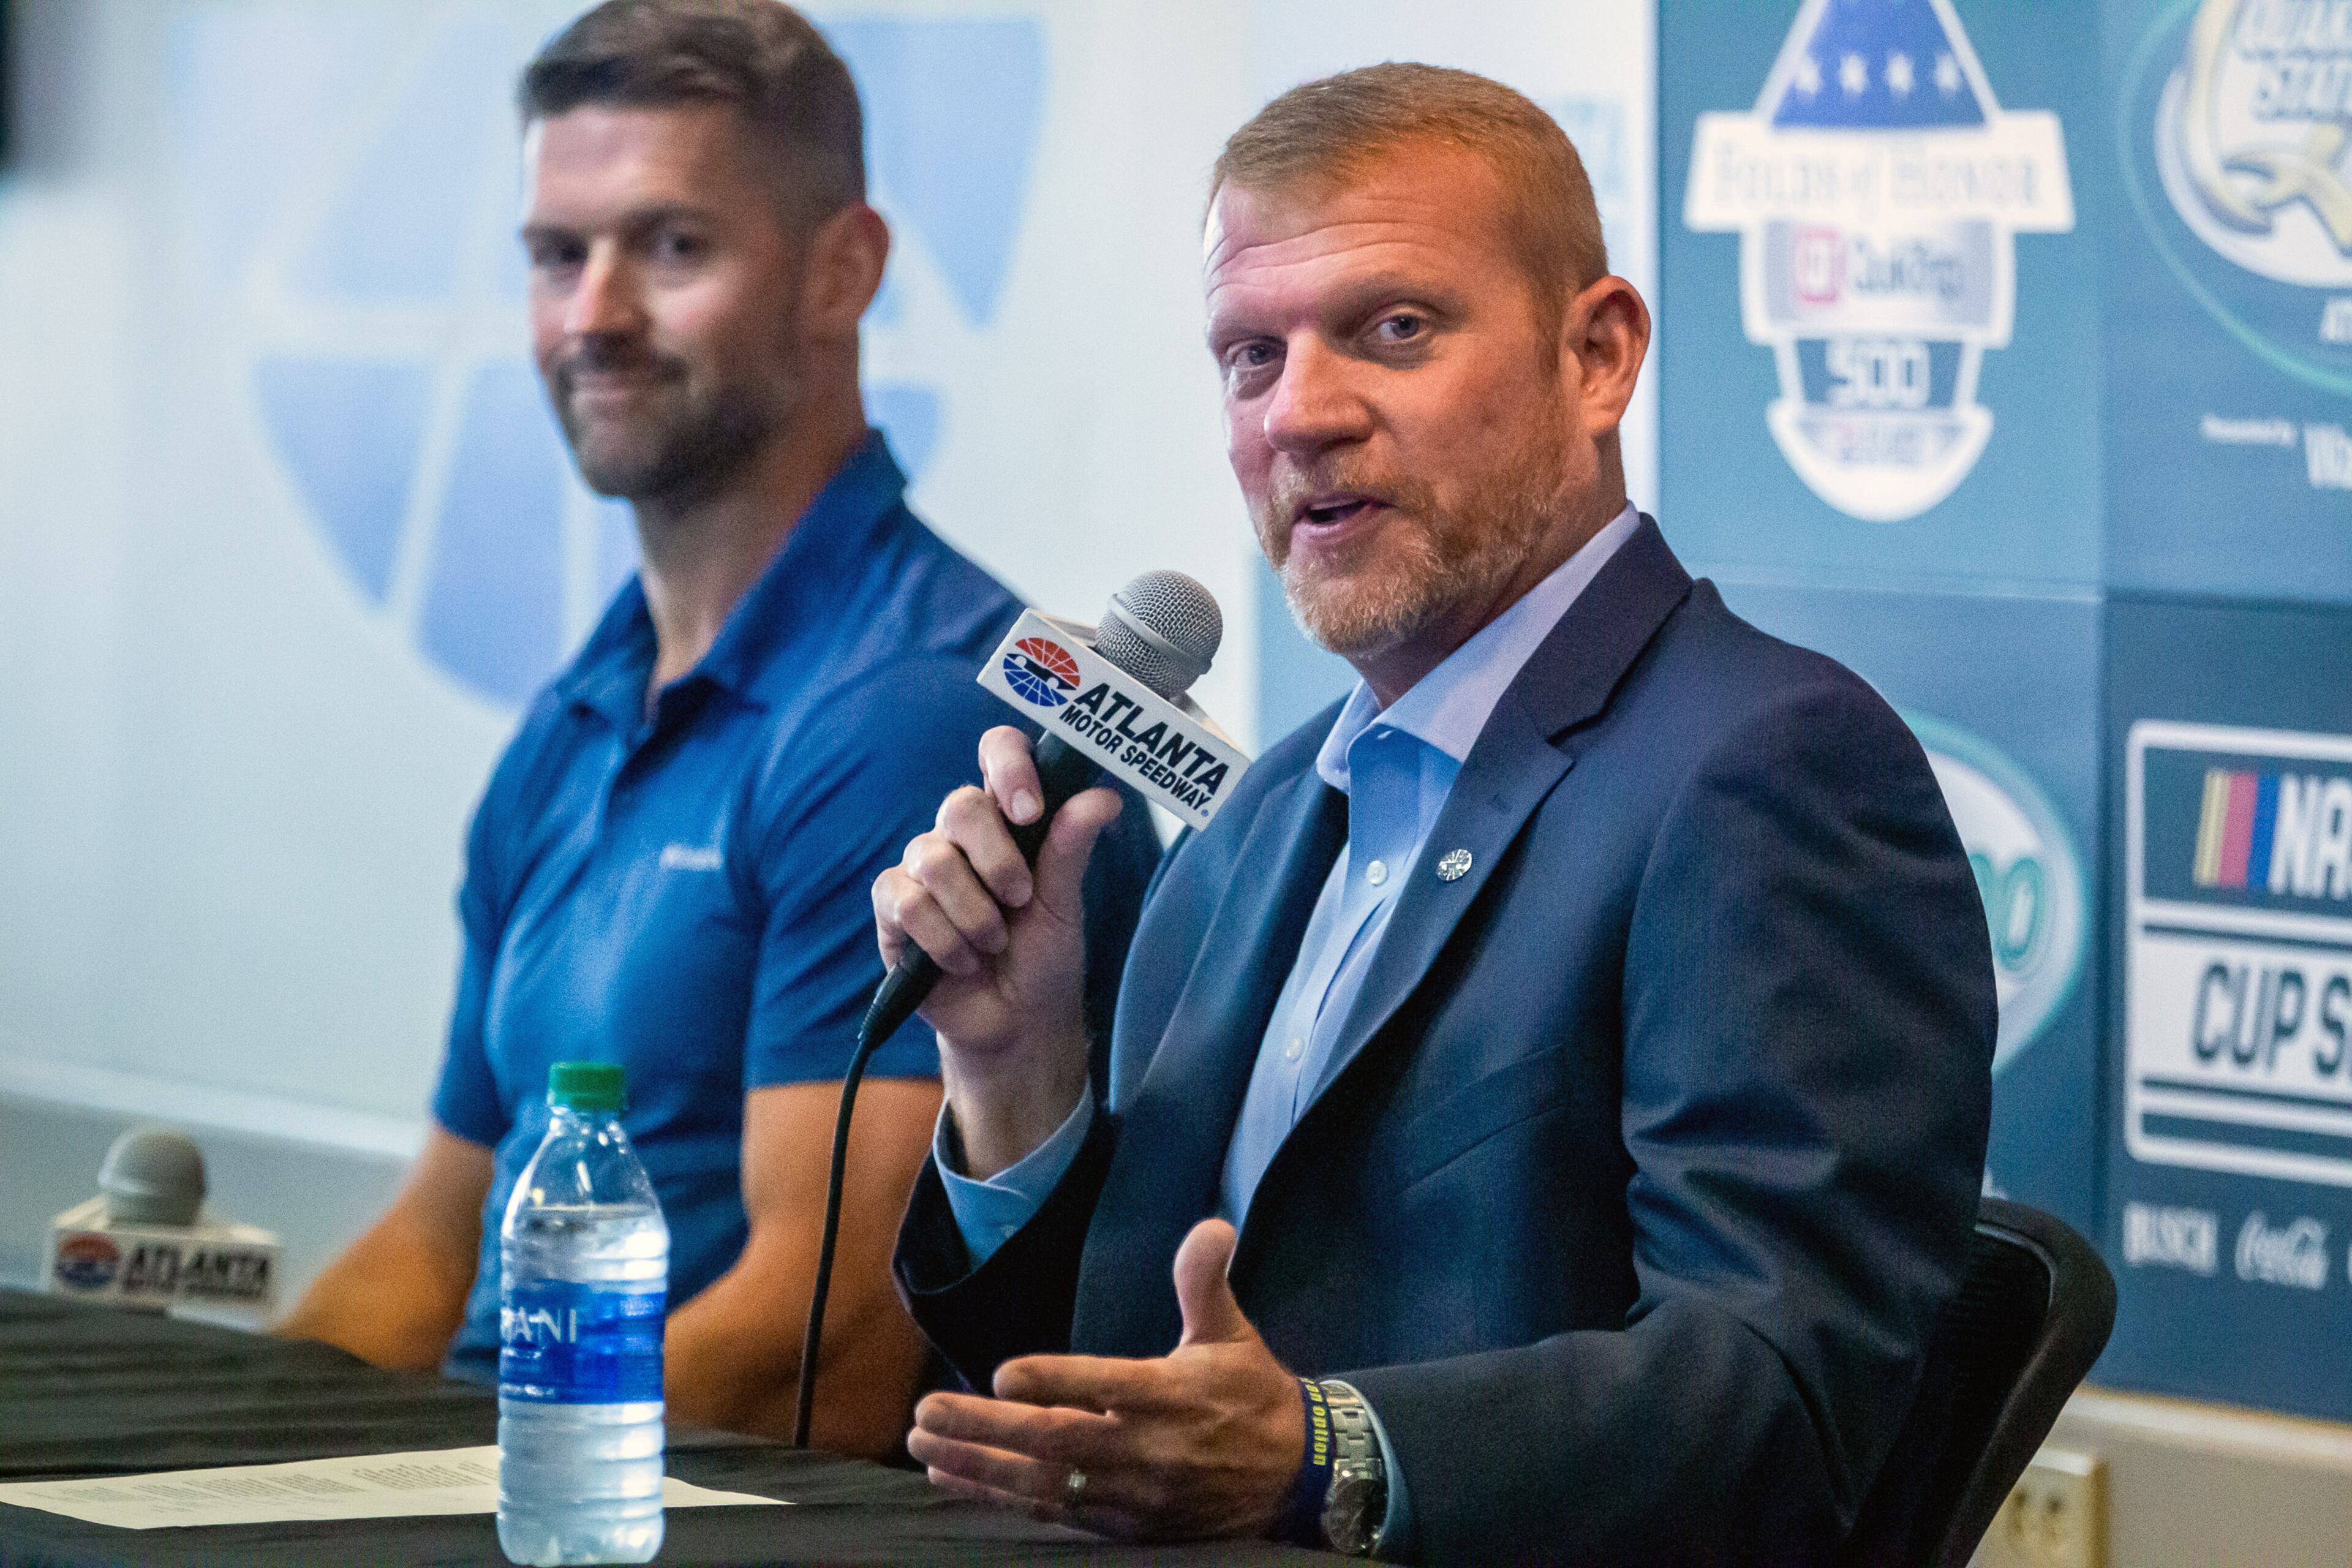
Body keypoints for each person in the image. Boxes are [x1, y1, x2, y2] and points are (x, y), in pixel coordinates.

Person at [870, 64, 1996, 1561]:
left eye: (1392, 329)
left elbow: (1781, 1398)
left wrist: (1323, 1453)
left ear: (1598, 356)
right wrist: (1010, 1070)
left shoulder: (1769, 768)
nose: (1304, 414)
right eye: (1249, 355)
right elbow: (1117, 1381)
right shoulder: (1263, 819)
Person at [276, 0, 1158, 1457]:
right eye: (558, 256)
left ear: (845, 271)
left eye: (670, 247)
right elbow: (434, 1250)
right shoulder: (570, 724)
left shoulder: (918, 711)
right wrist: (196, 1452)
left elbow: (825, 1350)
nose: (593, 315)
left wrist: (412, 1488)